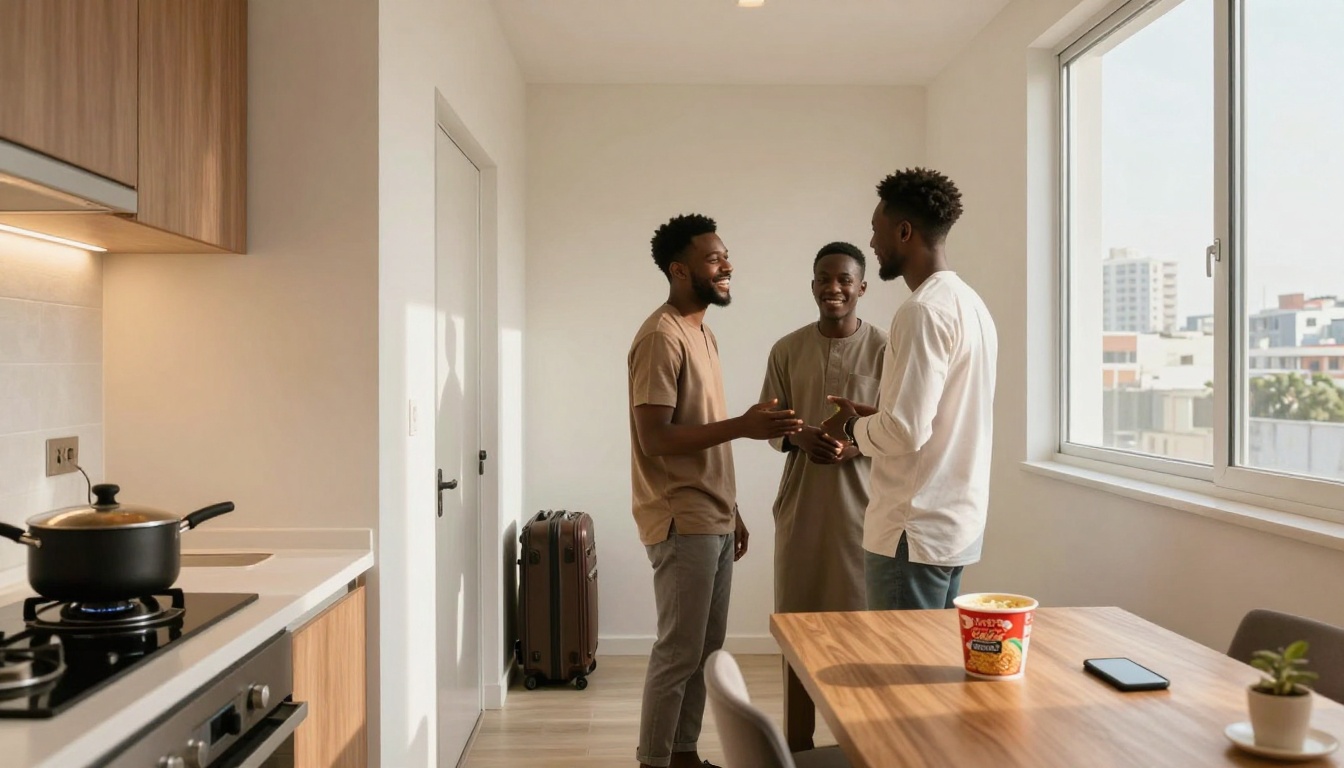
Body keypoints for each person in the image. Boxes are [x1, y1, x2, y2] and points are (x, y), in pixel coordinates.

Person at [629, 213, 804, 768]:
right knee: (678, 652)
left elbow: (699, 429)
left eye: (725, 256)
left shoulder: (702, 331)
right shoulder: (660, 337)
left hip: (713, 515)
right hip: (681, 519)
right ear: (680, 270)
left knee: (705, 651)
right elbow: (655, 438)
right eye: (713, 258)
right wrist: (744, 426)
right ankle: (654, 761)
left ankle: (683, 754)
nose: (727, 265)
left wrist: (733, 509)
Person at [820, 168, 998, 612]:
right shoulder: (971, 304)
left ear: (904, 231)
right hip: (953, 524)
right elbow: (938, 416)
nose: (874, 243)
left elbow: (904, 432)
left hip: (911, 531)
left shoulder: (921, 311)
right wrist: (874, 416)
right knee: (926, 672)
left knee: (896, 674)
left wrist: (852, 427)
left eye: (877, 231)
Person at [759, 240, 887, 749]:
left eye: (844, 280)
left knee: (861, 639)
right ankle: (799, 749)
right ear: (812, 285)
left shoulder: (887, 348)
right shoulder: (786, 349)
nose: (833, 288)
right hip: (801, 511)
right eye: (823, 279)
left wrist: (853, 447)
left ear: (861, 287)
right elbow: (770, 424)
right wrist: (797, 437)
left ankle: (859, 746)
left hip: (865, 513)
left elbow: (902, 430)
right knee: (797, 632)